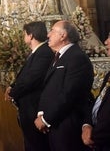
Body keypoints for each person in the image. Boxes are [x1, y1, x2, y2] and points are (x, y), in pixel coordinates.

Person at [34, 20, 94, 150]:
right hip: (55, 123)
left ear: (63, 35)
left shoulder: (77, 57)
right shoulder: (59, 56)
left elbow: (69, 94)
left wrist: (46, 119)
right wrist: (41, 113)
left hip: (67, 124)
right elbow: (49, 88)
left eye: (52, 31)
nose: (48, 35)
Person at [5, 21, 54, 151]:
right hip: (28, 108)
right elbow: (24, 75)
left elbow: (32, 79)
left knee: (37, 145)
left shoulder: (44, 52)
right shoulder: (36, 52)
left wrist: (12, 92)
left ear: (31, 35)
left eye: (24, 34)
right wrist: (12, 86)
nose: (23, 37)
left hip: (34, 108)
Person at [81, 34, 110, 150]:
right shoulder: (108, 74)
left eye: (109, 38)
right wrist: (87, 125)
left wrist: (93, 137)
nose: (106, 42)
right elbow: (99, 102)